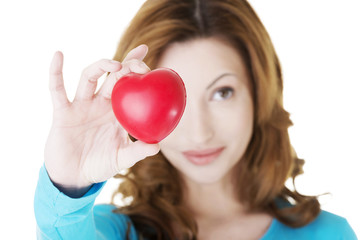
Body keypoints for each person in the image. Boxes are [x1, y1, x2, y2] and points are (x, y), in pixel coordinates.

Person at [34, 0, 357, 239]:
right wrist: (69, 186)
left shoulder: (329, 234)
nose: (200, 133)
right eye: (177, 98)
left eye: (223, 93)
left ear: (259, 93)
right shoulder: (113, 231)